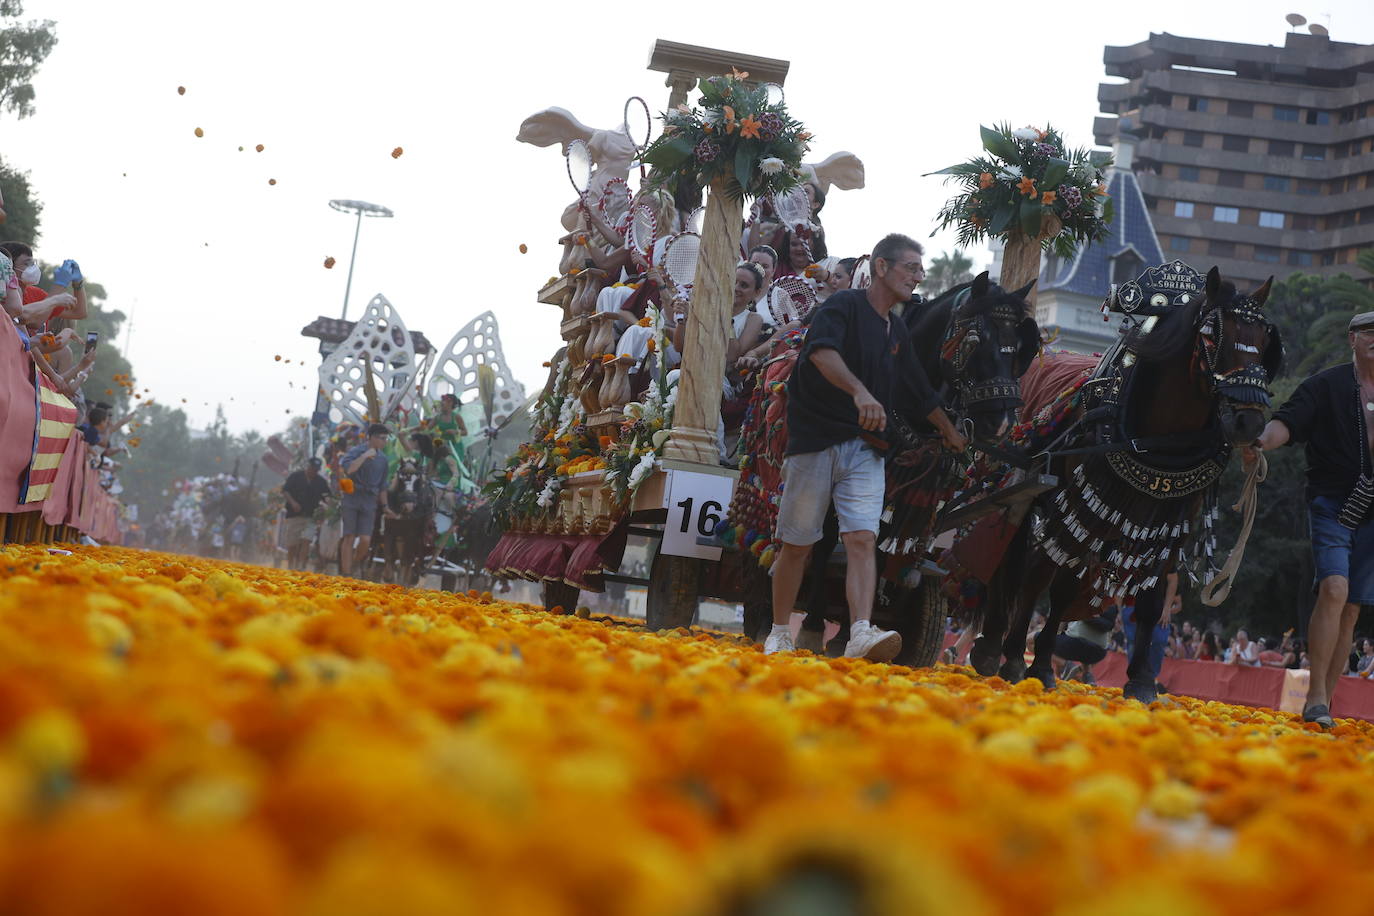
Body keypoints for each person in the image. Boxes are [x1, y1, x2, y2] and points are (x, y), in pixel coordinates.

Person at [764, 233, 967, 660]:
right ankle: (780, 631)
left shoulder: (897, 330)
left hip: (866, 450)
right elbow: (819, 354)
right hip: (817, 441)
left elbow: (919, 391)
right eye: (911, 267)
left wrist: (950, 431)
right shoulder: (842, 307)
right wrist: (860, 392)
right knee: (798, 545)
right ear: (881, 267)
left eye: (920, 269)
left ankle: (859, 631)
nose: (919, 276)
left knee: (861, 537)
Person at [1247, 311, 1374, 728]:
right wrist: (1261, 442)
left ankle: (1324, 701)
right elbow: (1288, 421)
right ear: (1352, 337)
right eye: (1370, 333)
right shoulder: (1326, 385)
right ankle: (1315, 693)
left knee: (1352, 608)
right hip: (1333, 501)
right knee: (1334, 588)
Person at [339, 423, 390, 578]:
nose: (384, 442)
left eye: (385, 439)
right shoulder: (356, 451)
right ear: (371, 438)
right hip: (352, 496)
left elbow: (382, 486)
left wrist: (386, 506)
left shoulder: (383, 459)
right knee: (349, 536)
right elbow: (349, 469)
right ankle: (346, 574)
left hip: (369, 500)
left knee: (365, 540)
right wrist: (364, 456)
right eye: (381, 438)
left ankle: (354, 564)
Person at [281, 458, 332, 570]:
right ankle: (291, 565)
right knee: (292, 543)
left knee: (306, 540)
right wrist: (293, 502)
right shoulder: (295, 476)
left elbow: (327, 496)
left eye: (316, 470)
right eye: (312, 469)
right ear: (308, 467)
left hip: (311, 516)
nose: (314, 472)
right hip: (294, 515)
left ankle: (300, 567)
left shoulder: (321, 482)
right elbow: (285, 490)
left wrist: (326, 507)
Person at [1052, 607, 1118, 685]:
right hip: (1100, 652)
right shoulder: (1111, 605)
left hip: (1075, 644)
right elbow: (1111, 625)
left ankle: (1066, 665)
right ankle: (1088, 675)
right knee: (1087, 646)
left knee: (1038, 638)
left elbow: (1061, 624)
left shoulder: (1080, 598)